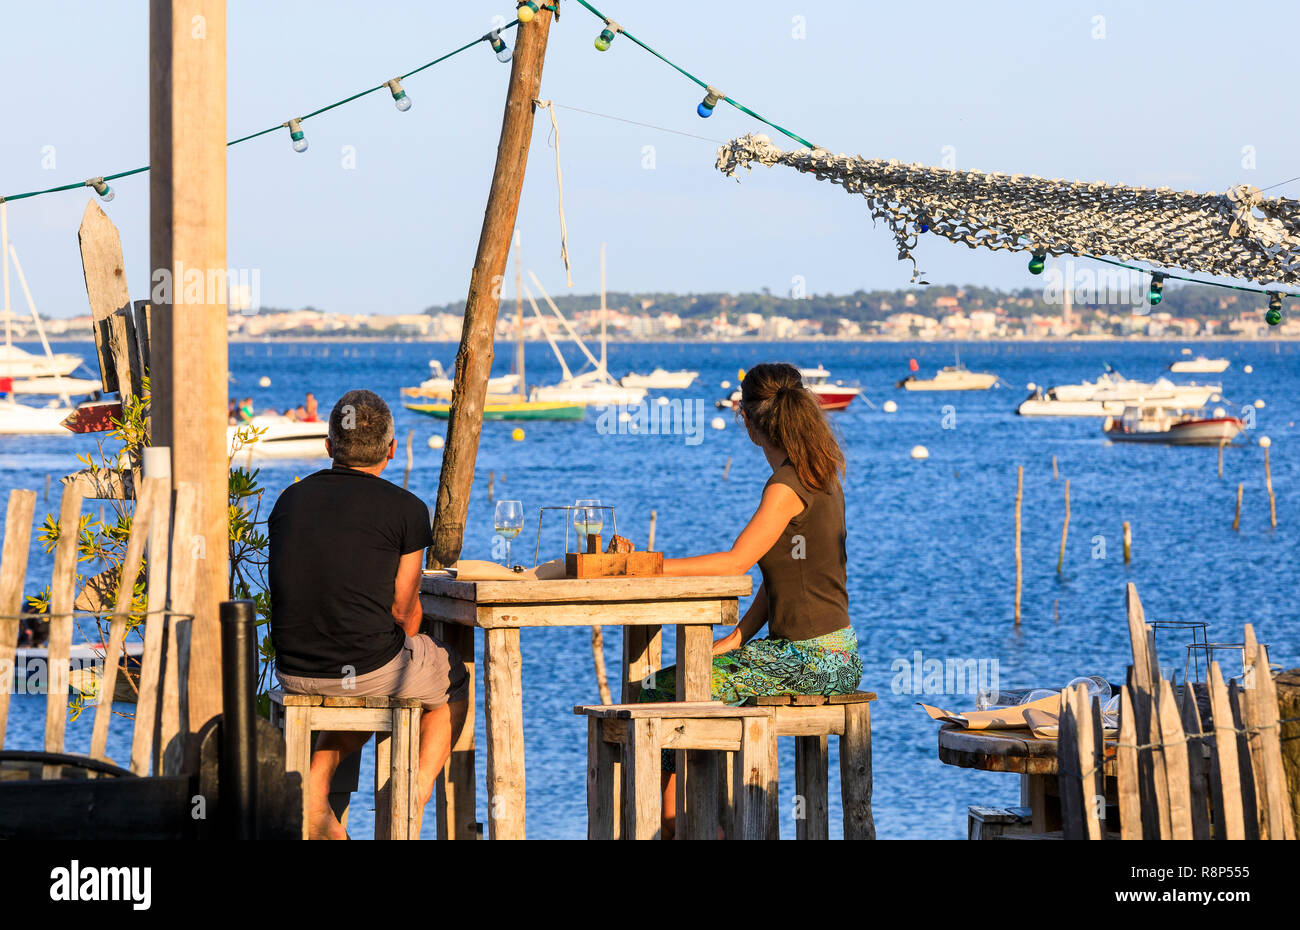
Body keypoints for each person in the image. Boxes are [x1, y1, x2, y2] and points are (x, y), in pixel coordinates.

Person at [640, 361, 862, 837]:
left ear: (748, 422)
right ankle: (709, 823)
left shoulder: (785, 485)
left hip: (809, 659)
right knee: (688, 682)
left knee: (657, 691)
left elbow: (735, 562)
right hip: (833, 652)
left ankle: (678, 826)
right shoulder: (820, 473)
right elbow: (783, 577)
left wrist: (649, 564)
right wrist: (739, 637)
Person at [269, 389, 468, 840]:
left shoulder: (288, 501)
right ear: (392, 450)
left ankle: (315, 792)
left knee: (361, 672)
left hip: (294, 670)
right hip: (364, 670)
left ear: (328, 446)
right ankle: (409, 798)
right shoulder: (407, 510)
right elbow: (403, 610)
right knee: (451, 676)